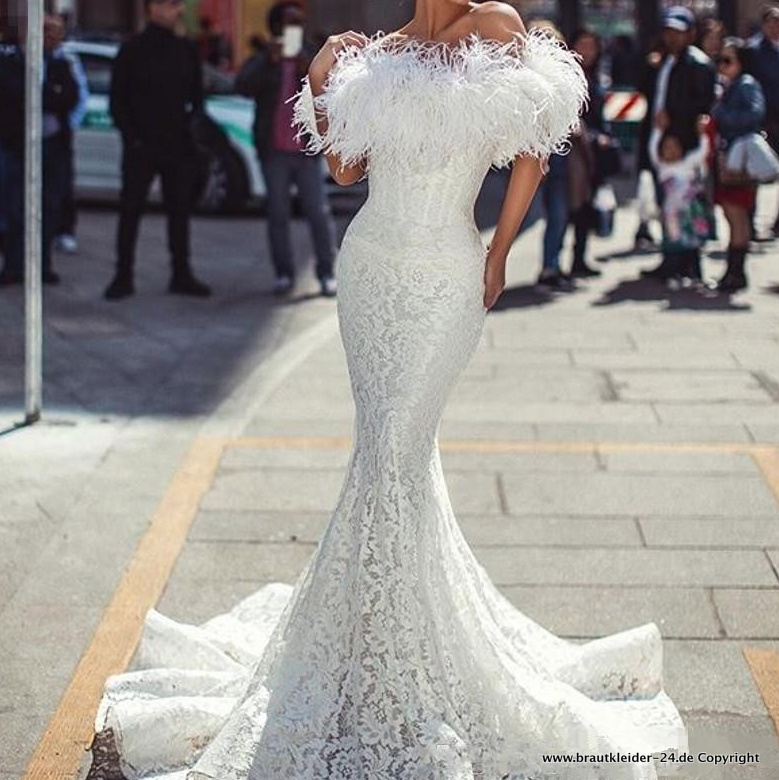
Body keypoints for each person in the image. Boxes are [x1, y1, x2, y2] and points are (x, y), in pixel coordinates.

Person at [88, 2, 687, 777]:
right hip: (370, 266)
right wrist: (319, 79)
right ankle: (372, 637)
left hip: (445, 270)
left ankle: (402, 641)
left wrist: (499, 252)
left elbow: (533, 154)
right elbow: (343, 168)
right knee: (383, 458)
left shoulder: (498, 27)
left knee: (397, 455)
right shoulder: (382, 50)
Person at [104, 0, 212, 301]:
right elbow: (118, 101)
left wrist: (190, 131)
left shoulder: (186, 49)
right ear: (152, 8)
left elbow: (197, 99)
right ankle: (122, 275)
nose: (175, 10)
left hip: (177, 147)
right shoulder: (132, 50)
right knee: (130, 212)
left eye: (177, 5)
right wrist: (133, 138)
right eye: (168, 4)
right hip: (141, 148)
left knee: (179, 213)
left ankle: (182, 273)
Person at [235, 0, 338, 298]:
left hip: (306, 152)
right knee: (277, 214)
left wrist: (310, 68)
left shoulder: (311, 55)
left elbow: (331, 88)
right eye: (289, 21)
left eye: (298, 21)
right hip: (274, 152)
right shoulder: (267, 56)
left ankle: (326, 272)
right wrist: (269, 60)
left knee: (318, 213)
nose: (294, 26)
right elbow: (242, 85)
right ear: (277, 24)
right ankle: (283, 273)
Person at [0, 13, 79, 287]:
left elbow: (69, 97)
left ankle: (42, 265)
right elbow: (16, 96)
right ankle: (13, 265)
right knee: (14, 208)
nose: (49, 36)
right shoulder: (10, 64)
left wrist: (44, 95)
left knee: (49, 207)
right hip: (17, 146)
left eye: (54, 31)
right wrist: (46, 96)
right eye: (44, 29)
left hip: (53, 148)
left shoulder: (60, 65)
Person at [638, 5, 716, 280]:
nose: (672, 37)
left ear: (690, 34)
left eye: (678, 32)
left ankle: (691, 265)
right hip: (661, 144)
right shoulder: (663, 61)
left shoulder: (699, 64)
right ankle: (671, 260)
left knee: (687, 207)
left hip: (681, 147)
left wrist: (674, 123)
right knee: (667, 207)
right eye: (669, 31)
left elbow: (703, 104)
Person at [711, 37, 766, 293]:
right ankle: (734, 271)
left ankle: (736, 272)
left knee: (737, 215)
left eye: (727, 60)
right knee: (732, 214)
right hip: (730, 156)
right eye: (719, 60)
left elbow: (755, 114)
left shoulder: (746, 84)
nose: (722, 66)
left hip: (739, 159)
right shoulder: (730, 85)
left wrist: (721, 115)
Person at [648, 114, 713, 288]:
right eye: (667, 147)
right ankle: (672, 274)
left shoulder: (687, 164)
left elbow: (702, 152)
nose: (671, 150)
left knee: (694, 246)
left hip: (692, 213)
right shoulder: (663, 168)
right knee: (673, 245)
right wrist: (658, 131)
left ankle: (696, 275)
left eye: (674, 146)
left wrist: (702, 134)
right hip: (672, 215)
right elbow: (652, 149)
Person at [50, 13, 90, 256]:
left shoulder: (68, 60)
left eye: (55, 30)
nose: (50, 34)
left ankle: (64, 231)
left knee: (62, 185)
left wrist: (69, 124)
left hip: (59, 134)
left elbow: (79, 96)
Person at [746, 4, 779, 238]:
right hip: (763, 120)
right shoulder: (754, 50)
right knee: (756, 171)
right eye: (771, 22)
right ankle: (750, 223)